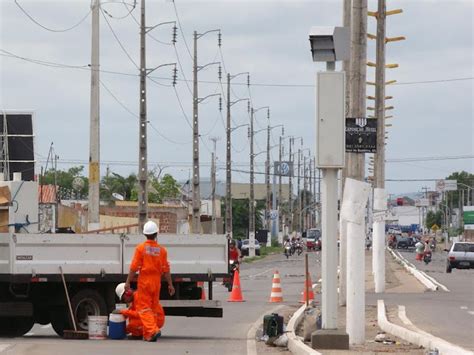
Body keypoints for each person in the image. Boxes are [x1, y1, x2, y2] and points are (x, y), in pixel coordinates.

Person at [124, 221, 175, 342]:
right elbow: (166, 270)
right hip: (156, 283)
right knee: (152, 308)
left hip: (145, 282)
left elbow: (134, 267)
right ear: (156, 233)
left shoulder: (140, 248)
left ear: (145, 234)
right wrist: (170, 285)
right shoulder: (162, 251)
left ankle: (153, 330)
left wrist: (127, 282)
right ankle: (148, 335)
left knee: (143, 308)